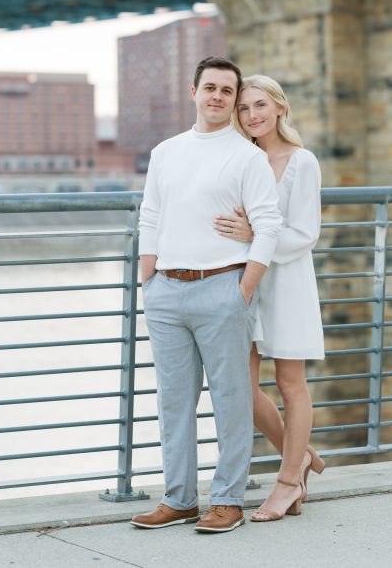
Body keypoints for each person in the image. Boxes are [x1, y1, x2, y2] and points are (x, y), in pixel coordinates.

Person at [132, 57, 282, 534]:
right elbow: (150, 215)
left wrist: (244, 288)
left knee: (231, 399)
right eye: (210, 88)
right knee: (173, 401)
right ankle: (178, 499)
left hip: (223, 287)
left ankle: (228, 500)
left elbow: (269, 225)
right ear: (193, 91)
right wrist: (148, 279)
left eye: (226, 92)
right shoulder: (165, 152)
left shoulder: (247, 156)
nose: (217, 97)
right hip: (166, 292)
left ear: (233, 102)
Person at [216, 74, 326, 522]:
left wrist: (256, 234)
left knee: (290, 384)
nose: (251, 115)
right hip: (244, 281)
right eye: (243, 109)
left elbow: (304, 233)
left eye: (260, 105)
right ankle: (297, 458)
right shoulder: (240, 158)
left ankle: (286, 485)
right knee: (239, 385)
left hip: (287, 281)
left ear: (280, 107)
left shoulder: (303, 162)